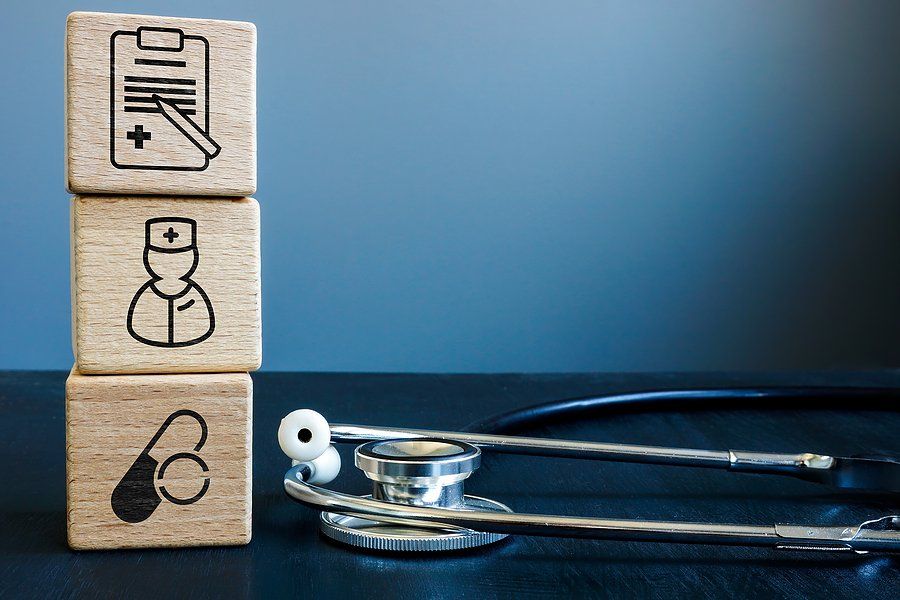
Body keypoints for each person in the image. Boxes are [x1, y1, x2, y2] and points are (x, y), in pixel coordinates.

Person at [127, 217, 215, 347]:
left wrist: (188, 307)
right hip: (150, 335)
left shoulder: (191, 290)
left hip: (190, 334)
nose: (170, 263)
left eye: (179, 258)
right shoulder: (150, 290)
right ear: (148, 255)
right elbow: (141, 316)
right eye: (161, 257)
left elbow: (202, 319)